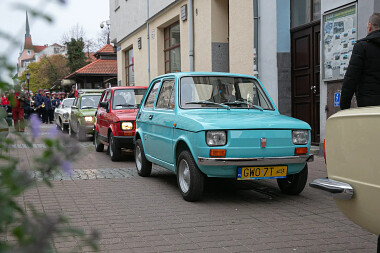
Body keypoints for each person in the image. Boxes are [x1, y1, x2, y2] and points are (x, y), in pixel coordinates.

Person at [340, 13, 380, 110]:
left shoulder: (362, 47)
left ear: (369, 26)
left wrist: (344, 107)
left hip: (369, 106)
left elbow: (351, 79)